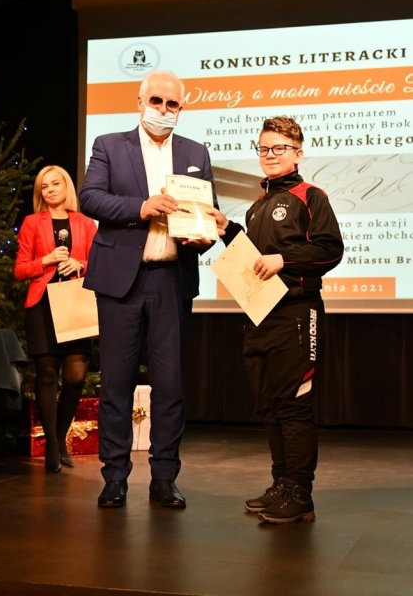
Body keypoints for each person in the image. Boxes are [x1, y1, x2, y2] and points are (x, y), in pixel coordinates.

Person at [79, 70, 218, 509]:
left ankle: (164, 478)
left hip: (171, 279)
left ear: (181, 108)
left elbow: (208, 212)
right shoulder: (108, 144)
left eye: (172, 104)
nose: (163, 110)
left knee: (170, 385)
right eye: (156, 101)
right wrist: (142, 207)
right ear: (140, 102)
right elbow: (90, 198)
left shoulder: (195, 152)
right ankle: (114, 477)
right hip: (121, 282)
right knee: (116, 384)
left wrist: (204, 234)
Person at [208, 116, 344, 524]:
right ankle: (282, 484)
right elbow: (253, 257)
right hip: (260, 314)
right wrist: (226, 229)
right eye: (264, 148)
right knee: (269, 406)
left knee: (294, 405)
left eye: (279, 148)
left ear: (297, 153)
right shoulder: (258, 205)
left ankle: (300, 493)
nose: (270, 155)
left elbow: (331, 250)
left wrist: (284, 259)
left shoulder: (310, 196)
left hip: (297, 314)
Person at [14, 165, 98, 473]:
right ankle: (52, 445)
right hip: (42, 304)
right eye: (44, 187)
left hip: (74, 301)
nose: (50, 190)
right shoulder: (32, 222)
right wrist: (45, 261)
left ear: (66, 186)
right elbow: (20, 269)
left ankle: (60, 438)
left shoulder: (85, 223)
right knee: (47, 375)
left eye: (55, 184)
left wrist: (81, 264)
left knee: (75, 377)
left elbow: (99, 262)